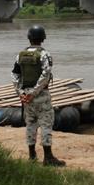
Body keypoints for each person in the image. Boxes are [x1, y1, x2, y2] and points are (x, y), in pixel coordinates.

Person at [12, 25, 65, 166]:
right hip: (41, 96)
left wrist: (21, 93)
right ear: (43, 38)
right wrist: (34, 92)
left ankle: (32, 156)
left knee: (30, 124)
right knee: (46, 124)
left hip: (26, 97)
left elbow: (15, 75)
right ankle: (48, 158)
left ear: (29, 38)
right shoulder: (44, 54)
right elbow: (46, 74)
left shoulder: (20, 55)